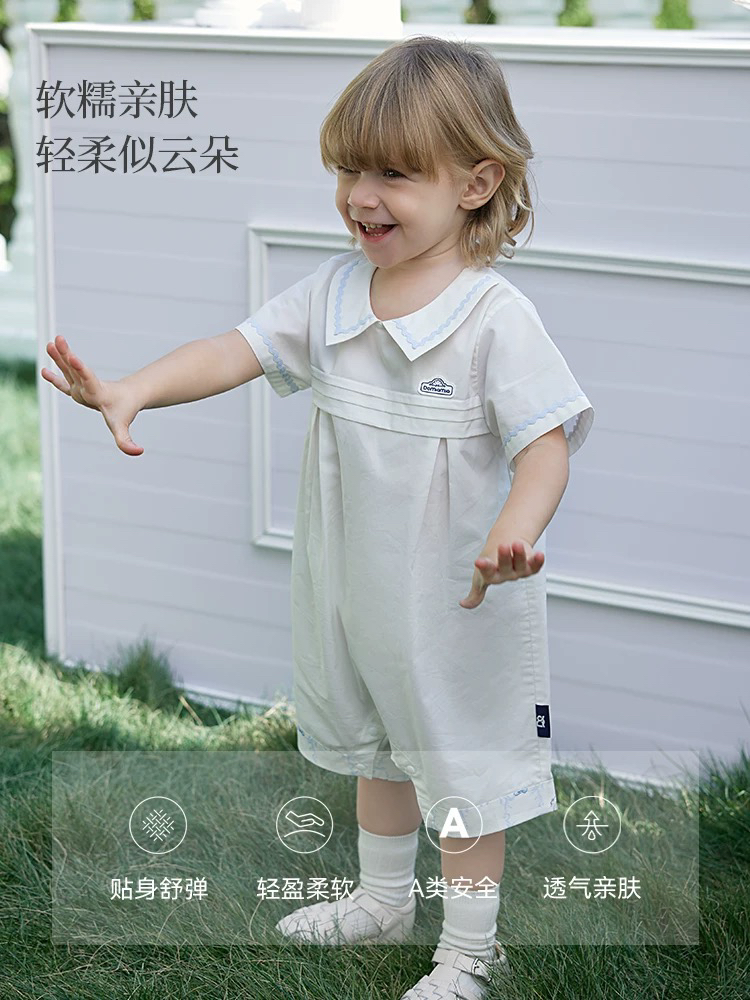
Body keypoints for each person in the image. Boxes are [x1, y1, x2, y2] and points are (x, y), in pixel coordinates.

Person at [41, 34, 594, 1000]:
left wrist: (518, 529)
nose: (359, 196)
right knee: (376, 742)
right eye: (347, 170)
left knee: (457, 762)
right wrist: (134, 389)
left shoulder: (493, 318)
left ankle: (473, 952)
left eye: (393, 174)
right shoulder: (337, 292)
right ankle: (383, 901)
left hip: (456, 594)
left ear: (476, 183)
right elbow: (236, 349)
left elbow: (545, 441)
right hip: (354, 584)